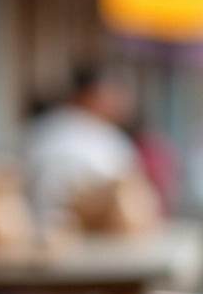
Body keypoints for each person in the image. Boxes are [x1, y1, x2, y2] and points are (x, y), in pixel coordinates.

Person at [22, 65, 141, 222]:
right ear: (86, 94)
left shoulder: (37, 128)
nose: (120, 104)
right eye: (111, 95)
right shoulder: (108, 138)